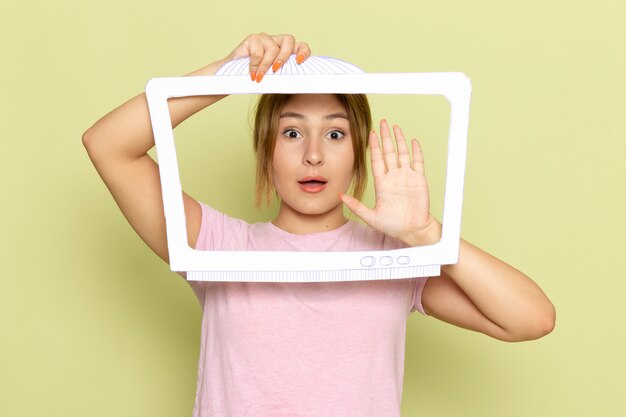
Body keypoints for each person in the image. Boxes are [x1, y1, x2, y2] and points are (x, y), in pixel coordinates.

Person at [83, 33, 555, 417]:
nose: (313, 153)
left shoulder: (397, 258)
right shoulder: (218, 245)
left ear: (358, 153)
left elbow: (531, 319)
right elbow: (107, 144)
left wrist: (426, 233)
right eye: (291, 132)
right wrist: (232, 73)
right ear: (267, 152)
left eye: (334, 133)